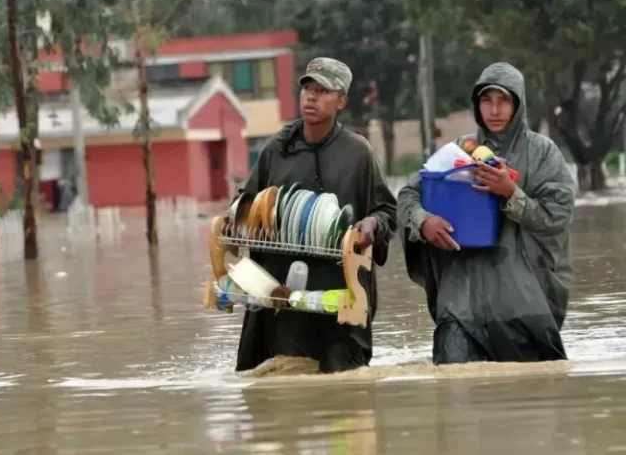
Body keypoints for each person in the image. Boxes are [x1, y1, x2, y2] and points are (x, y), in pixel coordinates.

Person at [397, 62, 576, 364]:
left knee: (531, 399)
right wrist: (423, 221)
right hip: (460, 305)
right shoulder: (458, 151)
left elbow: (558, 215)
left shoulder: (542, 153)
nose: (494, 110)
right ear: (476, 104)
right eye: (486, 100)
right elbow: (408, 194)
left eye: (504, 100)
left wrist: (511, 193)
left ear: (518, 104)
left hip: (521, 307)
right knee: (456, 392)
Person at [232, 57, 398, 374]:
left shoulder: (358, 153)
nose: (311, 96)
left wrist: (372, 224)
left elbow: (387, 211)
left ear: (341, 101)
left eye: (323, 91)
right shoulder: (277, 150)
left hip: (342, 291)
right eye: (308, 88)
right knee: (288, 376)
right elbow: (244, 208)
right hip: (286, 297)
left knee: (344, 382)